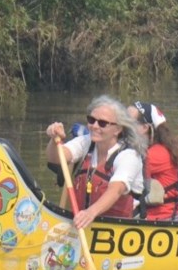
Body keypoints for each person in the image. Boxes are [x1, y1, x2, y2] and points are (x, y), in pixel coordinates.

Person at [45, 95, 147, 229]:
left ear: (118, 129)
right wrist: (54, 140)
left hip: (119, 229)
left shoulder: (129, 155)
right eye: (91, 120)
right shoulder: (87, 142)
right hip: (85, 225)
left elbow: (116, 190)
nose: (94, 126)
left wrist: (90, 213)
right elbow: (56, 158)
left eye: (102, 123)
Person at [129, 100, 178, 221]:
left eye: (127, 121)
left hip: (163, 219)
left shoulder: (155, 154)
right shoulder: (159, 148)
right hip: (156, 216)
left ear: (144, 128)